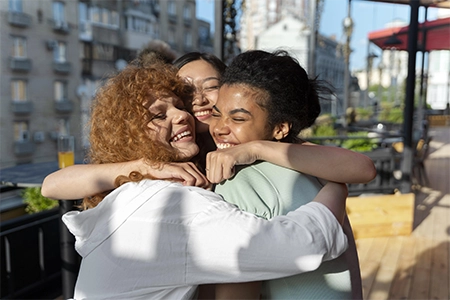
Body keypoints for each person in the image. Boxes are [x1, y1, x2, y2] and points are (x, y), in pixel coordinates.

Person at [60, 60, 349, 299]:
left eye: (178, 106)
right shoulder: (173, 203)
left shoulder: (129, 193)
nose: (182, 115)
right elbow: (301, 245)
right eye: (159, 116)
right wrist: (337, 187)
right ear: (129, 136)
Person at [207, 50, 361, 299]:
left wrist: (254, 148)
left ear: (280, 128)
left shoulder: (237, 181)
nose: (219, 127)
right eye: (216, 113)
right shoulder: (317, 169)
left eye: (237, 118)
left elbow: (237, 291)